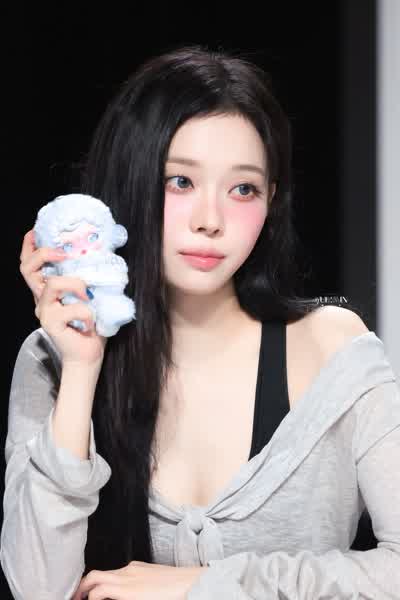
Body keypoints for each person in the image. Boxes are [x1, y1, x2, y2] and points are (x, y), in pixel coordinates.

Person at [1, 44, 399, 600]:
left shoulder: (332, 348)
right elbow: (38, 588)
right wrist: (83, 371)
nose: (211, 220)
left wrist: (205, 584)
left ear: (271, 200)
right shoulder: (52, 359)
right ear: (131, 179)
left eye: (243, 189)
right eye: (180, 182)